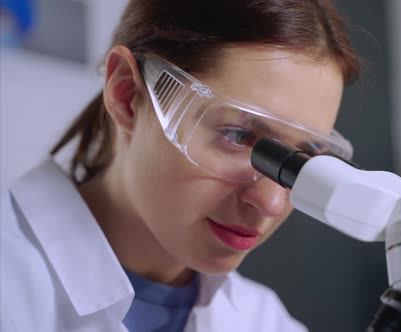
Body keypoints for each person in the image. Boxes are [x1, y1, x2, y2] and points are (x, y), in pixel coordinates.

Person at [0, 0, 360, 331]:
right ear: (126, 94)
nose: (271, 202)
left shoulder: (263, 319)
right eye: (238, 135)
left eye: (303, 159)